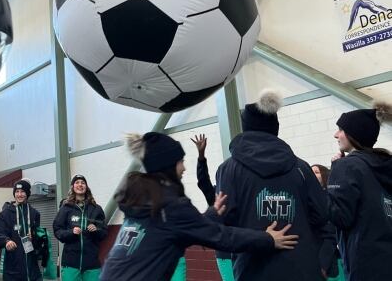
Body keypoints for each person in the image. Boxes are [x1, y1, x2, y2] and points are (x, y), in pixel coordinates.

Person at [100, 132, 299, 281]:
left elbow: (177, 231)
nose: (184, 167)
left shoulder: (142, 200)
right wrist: (266, 238)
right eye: (180, 162)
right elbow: (222, 237)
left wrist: (212, 213)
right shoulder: (170, 206)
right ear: (167, 165)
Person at [214, 90, 332, 281]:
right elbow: (322, 214)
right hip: (302, 267)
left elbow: (224, 221)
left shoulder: (228, 170)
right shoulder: (300, 167)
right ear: (275, 128)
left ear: (246, 128)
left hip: (253, 268)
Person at [326, 103, 392, 281]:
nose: (336, 135)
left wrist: (327, 186)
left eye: (340, 129)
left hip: (364, 265)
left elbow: (340, 216)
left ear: (353, 134)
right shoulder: (384, 166)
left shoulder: (347, 166)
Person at [191, 134, 234, 281]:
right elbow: (203, 180)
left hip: (244, 251)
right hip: (225, 256)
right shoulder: (215, 196)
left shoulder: (241, 192)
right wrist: (201, 156)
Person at [53, 175, 106, 281]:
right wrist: (70, 232)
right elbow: (57, 230)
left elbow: (104, 232)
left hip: (92, 264)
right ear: (73, 187)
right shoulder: (66, 208)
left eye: (82, 182)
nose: (80, 185)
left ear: (86, 187)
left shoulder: (96, 209)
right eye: (77, 182)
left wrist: (96, 230)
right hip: (71, 263)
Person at [0, 180, 43, 281]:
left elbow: (38, 241)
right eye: (17, 191)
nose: (19, 194)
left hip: (32, 269)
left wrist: (34, 236)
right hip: (13, 269)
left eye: (22, 191)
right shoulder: (5, 214)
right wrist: (6, 241)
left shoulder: (34, 214)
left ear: (28, 193)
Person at [310, 164, 344, 281]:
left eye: (316, 172)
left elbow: (330, 235)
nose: (312, 174)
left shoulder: (328, 198)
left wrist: (323, 265)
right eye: (311, 172)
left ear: (324, 176)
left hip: (326, 264)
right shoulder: (307, 198)